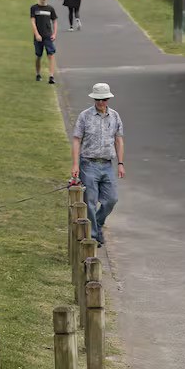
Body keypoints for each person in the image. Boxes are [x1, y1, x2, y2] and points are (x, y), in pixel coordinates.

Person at [71, 82, 124, 247]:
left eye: (104, 99)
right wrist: (75, 165)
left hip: (107, 164)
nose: (101, 103)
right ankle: (93, 236)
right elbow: (76, 140)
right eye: (98, 100)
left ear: (108, 99)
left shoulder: (115, 116)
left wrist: (121, 163)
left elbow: (119, 140)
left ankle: (98, 224)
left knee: (111, 200)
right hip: (88, 164)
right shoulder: (85, 116)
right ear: (94, 99)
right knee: (91, 202)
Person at [31, 0, 58, 84]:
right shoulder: (34, 8)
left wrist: (54, 34)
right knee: (38, 55)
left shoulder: (50, 9)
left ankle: (51, 76)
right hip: (38, 36)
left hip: (48, 36)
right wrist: (37, 34)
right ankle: (38, 73)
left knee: (51, 55)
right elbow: (33, 22)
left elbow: (54, 21)